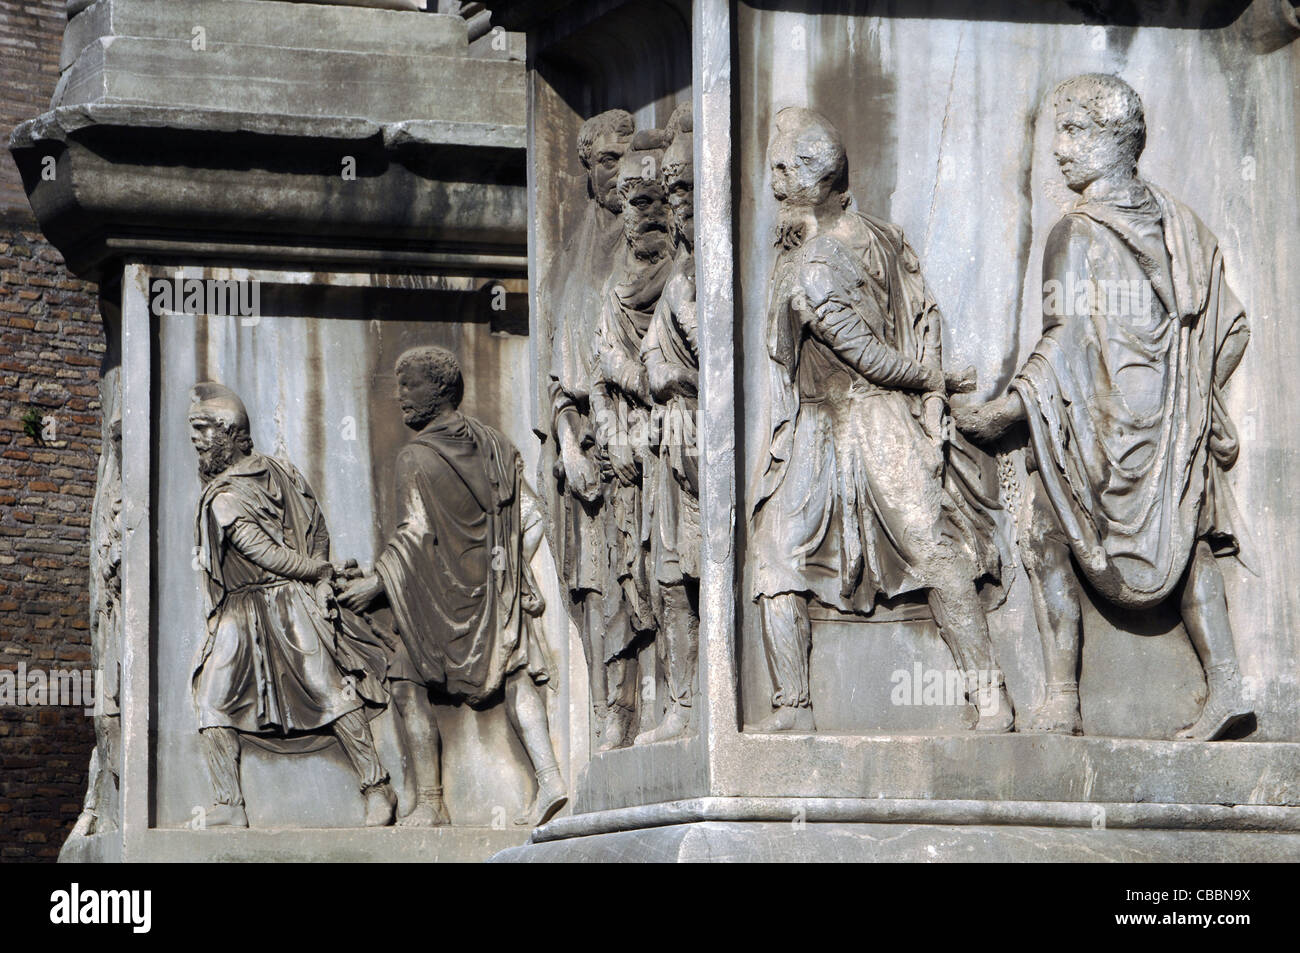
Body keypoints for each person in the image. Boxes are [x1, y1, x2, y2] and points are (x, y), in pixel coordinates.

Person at [955, 74, 1254, 740]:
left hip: (1104, 421)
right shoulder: (1186, 228)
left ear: (1112, 139)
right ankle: (1226, 680)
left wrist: (1003, 413)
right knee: (1188, 531)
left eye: (1072, 131)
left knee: (1046, 534)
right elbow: (1231, 327)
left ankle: (1062, 700)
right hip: (1169, 420)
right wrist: (1190, 391)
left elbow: (1064, 341)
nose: (1058, 150)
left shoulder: (1077, 231)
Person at [750, 107, 1012, 733]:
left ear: (808, 176)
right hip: (853, 419)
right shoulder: (884, 236)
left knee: (925, 549)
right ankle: (794, 706)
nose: (774, 185)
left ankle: (989, 696)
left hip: (852, 422)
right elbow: (926, 324)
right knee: (780, 551)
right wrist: (933, 384)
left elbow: (860, 350)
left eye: (781, 172)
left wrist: (933, 385)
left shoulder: (813, 262)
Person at [338, 346, 568, 826]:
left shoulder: (416, 457)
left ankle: (432, 802)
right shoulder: (496, 445)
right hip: (495, 596)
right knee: (516, 672)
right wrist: (509, 571)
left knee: (405, 680)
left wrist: (374, 586)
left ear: (439, 389)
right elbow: (531, 515)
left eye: (409, 385)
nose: (399, 396)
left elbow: (414, 534)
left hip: (438, 602)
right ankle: (550, 779)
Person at [188, 381, 396, 828]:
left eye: (202, 431)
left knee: (331, 691)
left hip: (285, 602)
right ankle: (229, 805)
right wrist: (318, 570)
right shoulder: (241, 485)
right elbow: (288, 544)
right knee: (211, 698)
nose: (196, 442)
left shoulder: (260, 484)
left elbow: (274, 546)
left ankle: (377, 786)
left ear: (228, 431)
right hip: (240, 612)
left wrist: (318, 576)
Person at [637, 103, 700, 743]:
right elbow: (652, 357)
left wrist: (673, 376)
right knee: (671, 579)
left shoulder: (711, 271)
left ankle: (715, 699)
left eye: (685, 185)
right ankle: (683, 704)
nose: (675, 201)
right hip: (670, 441)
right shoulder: (680, 272)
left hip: (708, 442)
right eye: (671, 189)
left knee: (706, 572)